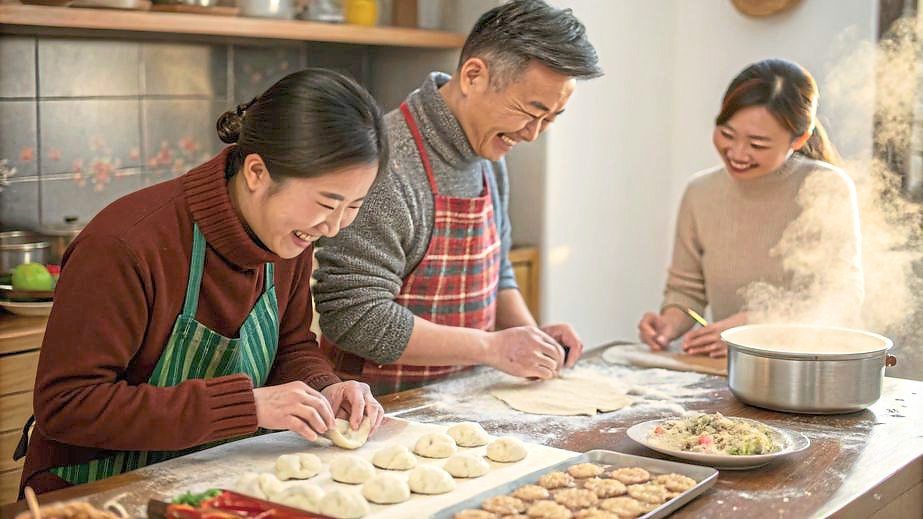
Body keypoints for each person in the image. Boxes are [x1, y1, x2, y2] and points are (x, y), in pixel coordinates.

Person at [17, 69, 388, 495]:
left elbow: (292, 345)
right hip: (96, 489)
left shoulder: (291, 238)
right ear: (256, 173)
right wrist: (247, 405)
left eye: (354, 206)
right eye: (328, 204)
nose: (335, 228)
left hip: (215, 477)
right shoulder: (126, 245)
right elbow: (68, 405)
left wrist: (326, 387)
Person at [313, 0, 603, 394]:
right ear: (472, 76)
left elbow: (497, 272)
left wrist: (532, 341)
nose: (532, 134)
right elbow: (355, 316)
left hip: (460, 398)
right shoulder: (385, 165)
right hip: (379, 407)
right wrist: (491, 347)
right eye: (528, 112)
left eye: (549, 119)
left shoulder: (488, 152)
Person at [638, 58, 863, 358]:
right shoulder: (700, 192)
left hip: (808, 369)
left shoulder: (826, 188)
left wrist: (749, 328)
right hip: (730, 372)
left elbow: (838, 298)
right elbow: (686, 291)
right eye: (727, 134)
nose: (737, 153)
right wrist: (668, 324)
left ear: (799, 139)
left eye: (757, 144)